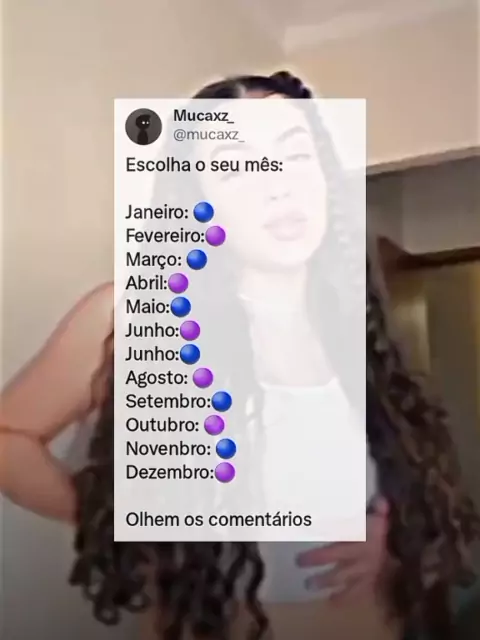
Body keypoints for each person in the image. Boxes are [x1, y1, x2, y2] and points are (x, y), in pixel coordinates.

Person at [0, 71, 478, 640]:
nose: (277, 184)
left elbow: (392, 472)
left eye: (294, 155)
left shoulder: (353, 321)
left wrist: (391, 534)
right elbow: (9, 438)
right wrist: (119, 526)